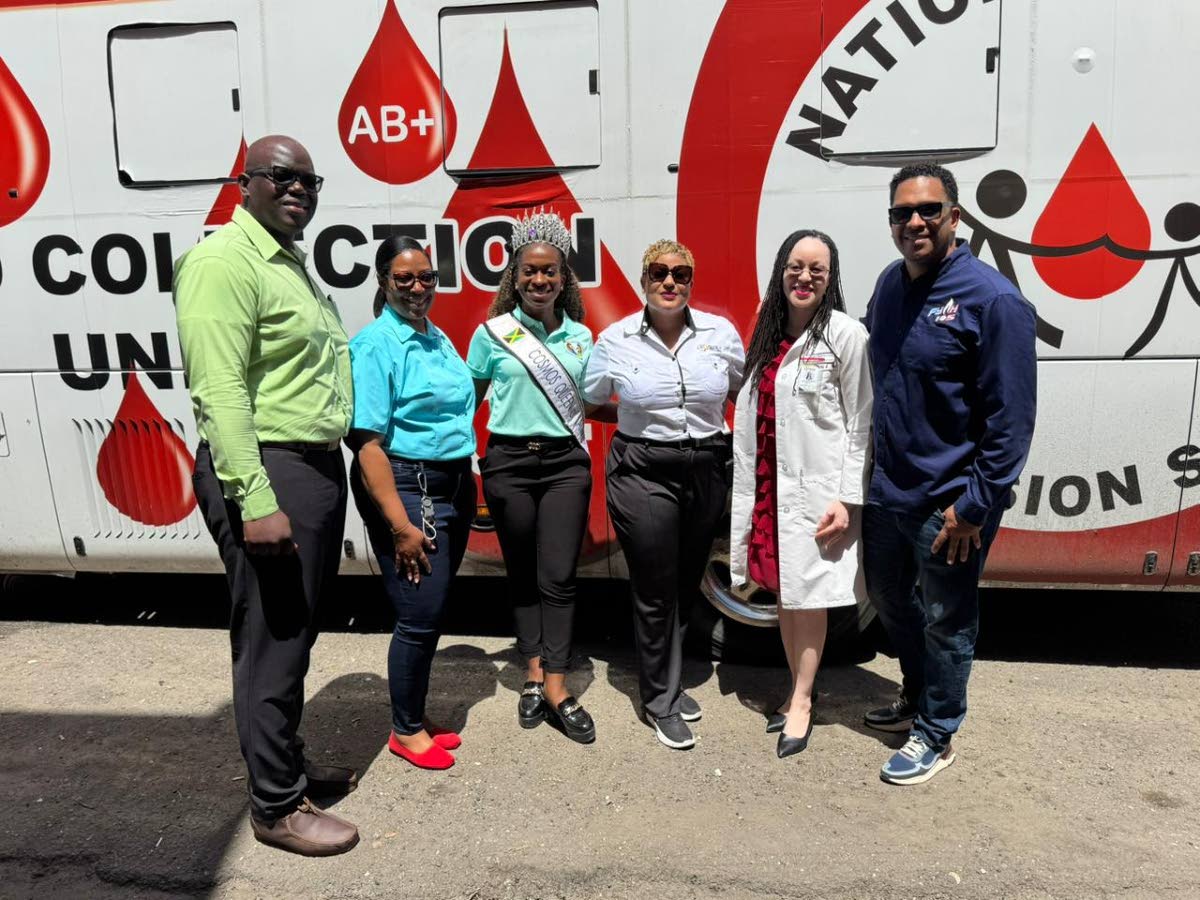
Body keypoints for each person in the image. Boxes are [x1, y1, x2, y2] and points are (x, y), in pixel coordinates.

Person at [175, 135, 359, 855]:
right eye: (282, 176)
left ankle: (286, 763)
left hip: (307, 466)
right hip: (269, 467)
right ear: (244, 182)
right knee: (273, 639)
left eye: (311, 180)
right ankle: (277, 807)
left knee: (297, 630)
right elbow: (219, 390)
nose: (299, 189)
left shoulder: (289, 264)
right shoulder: (225, 261)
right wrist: (255, 499)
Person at [862, 162, 1037, 785]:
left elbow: (1010, 421)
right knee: (887, 598)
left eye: (928, 210)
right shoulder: (888, 285)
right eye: (901, 213)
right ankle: (915, 695)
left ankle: (937, 733)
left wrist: (974, 507)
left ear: (955, 218)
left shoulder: (994, 301)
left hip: (950, 504)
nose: (914, 222)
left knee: (948, 619)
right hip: (887, 492)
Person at [583, 240, 745, 750]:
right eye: (659, 272)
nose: (670, 282)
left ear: (691, 282)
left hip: (705, 467)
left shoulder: (720, 335)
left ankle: (668, 680)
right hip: (642, 471)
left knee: (682, 583)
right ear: (644, 280)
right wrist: (640, 421)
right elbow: (592, 400)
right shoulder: (615, 340)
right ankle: (660, 702)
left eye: (680, 274)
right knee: (654, 587)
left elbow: (738, 390)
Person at [730, 230, 872, 759]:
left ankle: (804, 701)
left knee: (809, 600)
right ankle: (795, 689)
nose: (804, 277)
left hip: (818, 496)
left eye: (817, 268)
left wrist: (847, 497)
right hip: (771, 486)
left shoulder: (844, 334)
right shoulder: (767, 331)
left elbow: (862, 423)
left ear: (831, 278)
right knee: (787, 597)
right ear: (780, 272)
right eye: (795, 266)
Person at [466, 211, 597, 744]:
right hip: (509, 464)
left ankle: (560, 688)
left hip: (566, 465)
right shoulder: (492, 335)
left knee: (559, 577)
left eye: (550, 272)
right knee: (521, 574)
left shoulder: (582, 336)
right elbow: (465, 400)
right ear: (513, 277)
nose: (540, 280)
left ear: (564, 277)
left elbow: (595, 401)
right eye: (529, 272)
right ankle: (533, 675)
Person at [348, 235, 476, 770]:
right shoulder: (375, 344)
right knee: (419, 613)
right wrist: (400, 526)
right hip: (407, 483)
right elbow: (367, 444)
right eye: (405, 278)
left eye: (426, 276)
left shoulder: (435, 336)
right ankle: (404, 730)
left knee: (434, 604)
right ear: (383, 281)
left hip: (451, 481)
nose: (418, 287)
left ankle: (416, 716)